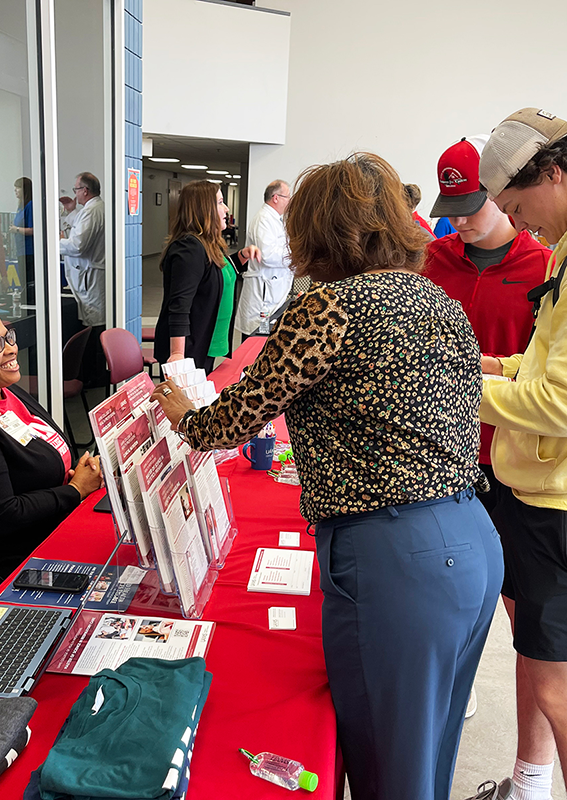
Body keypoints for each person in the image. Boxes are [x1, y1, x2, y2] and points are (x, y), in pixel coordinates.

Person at [151, 153, 504, 800]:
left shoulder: (327, 309)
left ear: (313, 232)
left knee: (389, 768)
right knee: (427, 754)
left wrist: (183, 411)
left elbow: (232, 420)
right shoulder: (435, 298)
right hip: (470, 537)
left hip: (395, 553)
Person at [471, 107, 567, 800]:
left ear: (555, 174)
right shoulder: (564, 250)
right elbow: (541, 369)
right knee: (540, 663)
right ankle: (530, 782)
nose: (519, 222)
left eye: (517, 206)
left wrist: (454, 389)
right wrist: (488, 367)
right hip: (533, 494)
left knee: (558, 686)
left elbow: (560, 404)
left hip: (553, 507)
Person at [426, 135, 550, 513]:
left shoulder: (543, 266)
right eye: (450, 208)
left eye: (469, 207)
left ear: (498, 195)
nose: (458, 221)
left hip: (511, 454)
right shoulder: (429, 262)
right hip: (438, 446)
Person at [0, 295, 102, 601]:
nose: (12, 348)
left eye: (7, 336)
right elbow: (1, 514)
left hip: (50, 531)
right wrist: (76, 490)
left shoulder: (7, 389)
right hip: (5, 569)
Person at [153, 181, 260, 373]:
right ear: (204, 209)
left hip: (206, 342)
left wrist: (241, 256)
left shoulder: (208, 243)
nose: (226, 209)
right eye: (220, 202)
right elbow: (179, 306)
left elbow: (214, 275)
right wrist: (178, 354)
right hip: (189, 349)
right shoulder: (189, 248)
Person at [234, 179, 293, 337]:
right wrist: (295, 256)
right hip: (263, 293)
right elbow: (268, 255)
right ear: (276, 198)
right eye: (287, 197)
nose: (289, 201)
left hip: (270, 289)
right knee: (256, 339)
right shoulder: (264, 220)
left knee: (265, 335)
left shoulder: (274, 219)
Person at [59, 172, 105, 328]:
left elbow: (78, 246)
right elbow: (81, 229)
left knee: (94, 321)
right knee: (95, 319)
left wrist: (56, 243)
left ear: (85, 190)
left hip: (90, 275)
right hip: (91, 274)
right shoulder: (95, 208)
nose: (75, 194)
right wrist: (71, 211)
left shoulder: (90, 211)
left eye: (76, 189)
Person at [9, 177, 34, 304]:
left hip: (29, 251)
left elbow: (33, 229)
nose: (15, 190)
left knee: (29, 283)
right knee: (23, 281)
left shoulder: (30, 205)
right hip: (21, 251)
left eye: (18, 187)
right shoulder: (20, 207)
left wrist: (16, 229)